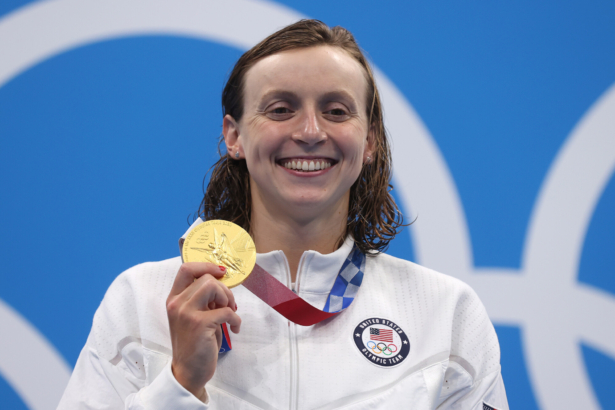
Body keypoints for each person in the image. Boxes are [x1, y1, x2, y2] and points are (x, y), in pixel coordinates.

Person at [58, 20, 509, 410]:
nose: (310, 132)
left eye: (336, 111)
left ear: (369, 140)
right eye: (280, 109)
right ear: (233, 136)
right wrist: (180, 383)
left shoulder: (445, 313)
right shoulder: (143, 301)